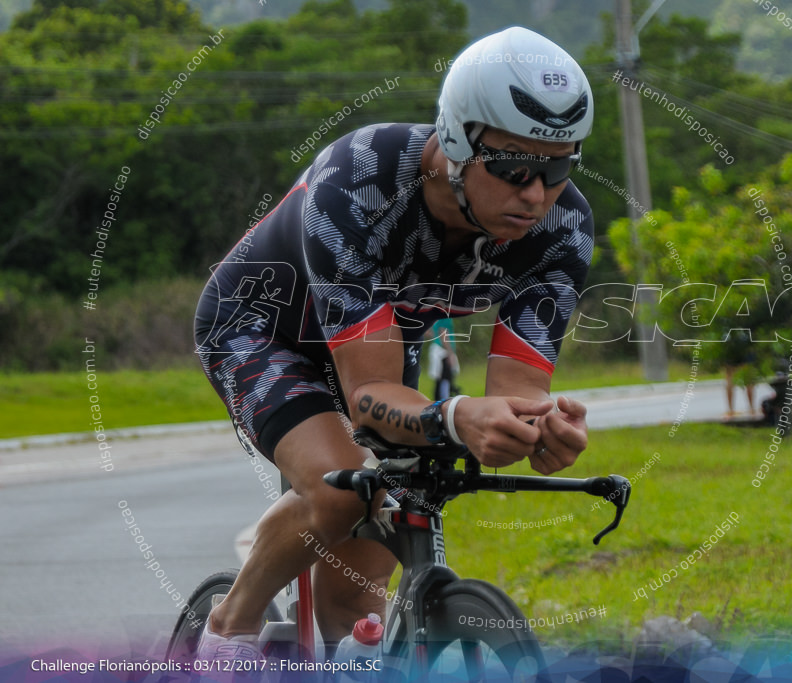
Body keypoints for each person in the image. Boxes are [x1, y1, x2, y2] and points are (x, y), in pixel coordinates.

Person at [192, 26, 595, 661]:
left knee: (372, 556)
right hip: (261, 329)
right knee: (338, 489)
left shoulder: (562, 229)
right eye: (515, 167)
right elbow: (368, 396)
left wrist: (537, 430)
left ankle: (352, 662)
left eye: (558, 167)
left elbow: (518, 397)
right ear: (460, 139)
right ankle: (225, 633)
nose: (536, 194)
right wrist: (457, 415)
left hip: (374, 342)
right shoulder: (362, 178)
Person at [427, 318, 459, 400]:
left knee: (440, 380)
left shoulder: (437, 315)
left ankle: (439, 401)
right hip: (443, 352)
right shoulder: (446, 316)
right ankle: (444, 401)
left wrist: (435, 337)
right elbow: (443, 333)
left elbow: (428, 332)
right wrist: (450, 353)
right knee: (445, 379)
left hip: (437, 349)